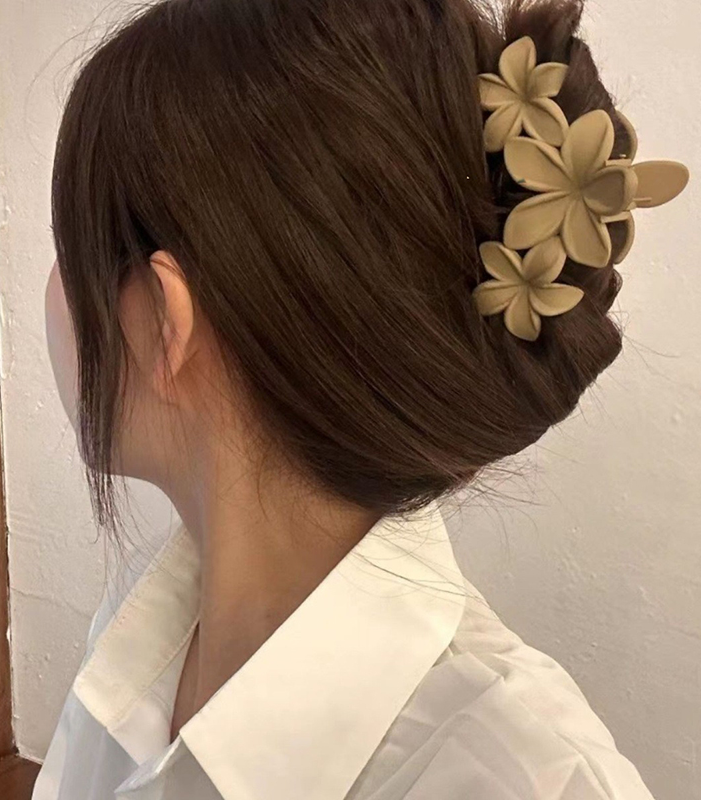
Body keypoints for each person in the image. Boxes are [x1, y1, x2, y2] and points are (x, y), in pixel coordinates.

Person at [36, 0, 688, 797]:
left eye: (68, 246)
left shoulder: (531, 781)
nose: (54, 288)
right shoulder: (147, 619)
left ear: (163, 322)